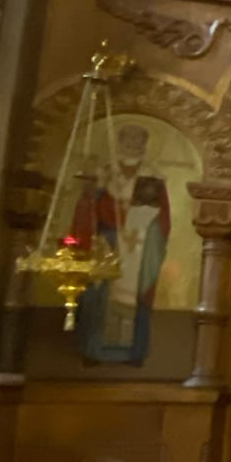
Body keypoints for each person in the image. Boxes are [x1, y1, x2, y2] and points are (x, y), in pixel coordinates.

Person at [73, 124, 171, 365]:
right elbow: (89, 210)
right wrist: (93, 197)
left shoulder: (152, 176)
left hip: (139, 246)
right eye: (128, 142)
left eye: (138, 143)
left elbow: (163, 217)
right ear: (119, 144)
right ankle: (93, 350)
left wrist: (149, 235)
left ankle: (133, 353)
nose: (133, 147)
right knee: (98, 294)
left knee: (137, 296)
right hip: (107, 242)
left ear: (145, 147)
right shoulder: (105, 173)